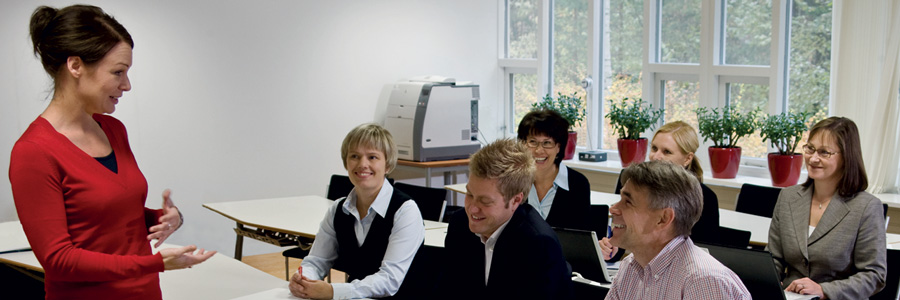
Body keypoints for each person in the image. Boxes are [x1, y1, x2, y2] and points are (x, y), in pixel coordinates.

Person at [9, 5, 215, 299]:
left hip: (144, 292)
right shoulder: (33, 152)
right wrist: (154, 263)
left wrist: (164, 218)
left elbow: (108, 216)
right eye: (118, 72)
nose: (127, 85)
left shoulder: (113, 130)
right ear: (76, 66)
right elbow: (58, 260)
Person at [290, 123, 426, 300]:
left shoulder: (406, 211)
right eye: (354, 156)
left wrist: (332, 292)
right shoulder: (338, 209)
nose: (363, 164)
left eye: (372, 157)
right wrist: (304, 279)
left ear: (387, 165)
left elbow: (389, 281)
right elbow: (316, 261)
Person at [767, 117, 886, 299]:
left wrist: (824, 291)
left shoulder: (867, 207)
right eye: (810, 149)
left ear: (846, 157)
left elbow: (874, 276)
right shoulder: (788, 197)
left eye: (824, 152)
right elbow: (773, 259)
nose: (813, 158)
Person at [441, 138, 573, 300]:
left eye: (485, 201)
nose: (472, 208)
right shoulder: (460, 224)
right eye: (470, 194)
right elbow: (447, 290)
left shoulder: (538, 244)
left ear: (515, 200)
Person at [605, 160, 749, 299]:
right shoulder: (631, 266)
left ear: (663, 218)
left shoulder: (704, 281)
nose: (613, 209)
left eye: (628, 202)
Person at [602, 121, 720, 260]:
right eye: (654, 148)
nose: (656, 156)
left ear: (687, 158)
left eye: (667, 152)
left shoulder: (705, 197)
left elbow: (705, 252)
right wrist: (609, 247)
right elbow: (620, 243)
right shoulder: (633, 183)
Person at [516, 109, 592, 231]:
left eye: (547, 143)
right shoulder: (513, 181)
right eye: (532, 142)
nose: (539, 150)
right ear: (523, 144)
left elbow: (579, 239)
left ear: (559, 147)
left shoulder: (577, 184)